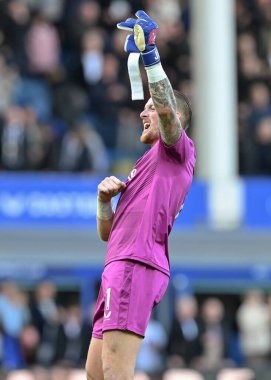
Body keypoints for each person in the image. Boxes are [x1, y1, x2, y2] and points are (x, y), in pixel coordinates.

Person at [85, 10, 195, 380]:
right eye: (143, 108)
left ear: (174, 120)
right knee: (96, 375)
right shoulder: (143, 167)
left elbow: (165, 108)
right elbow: (107, 234)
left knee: (116, 374)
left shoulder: (176, 151)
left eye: (150, 109)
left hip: (136, 264)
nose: (143, 113)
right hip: (118, 261)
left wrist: (150, 56)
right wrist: (104, 203)